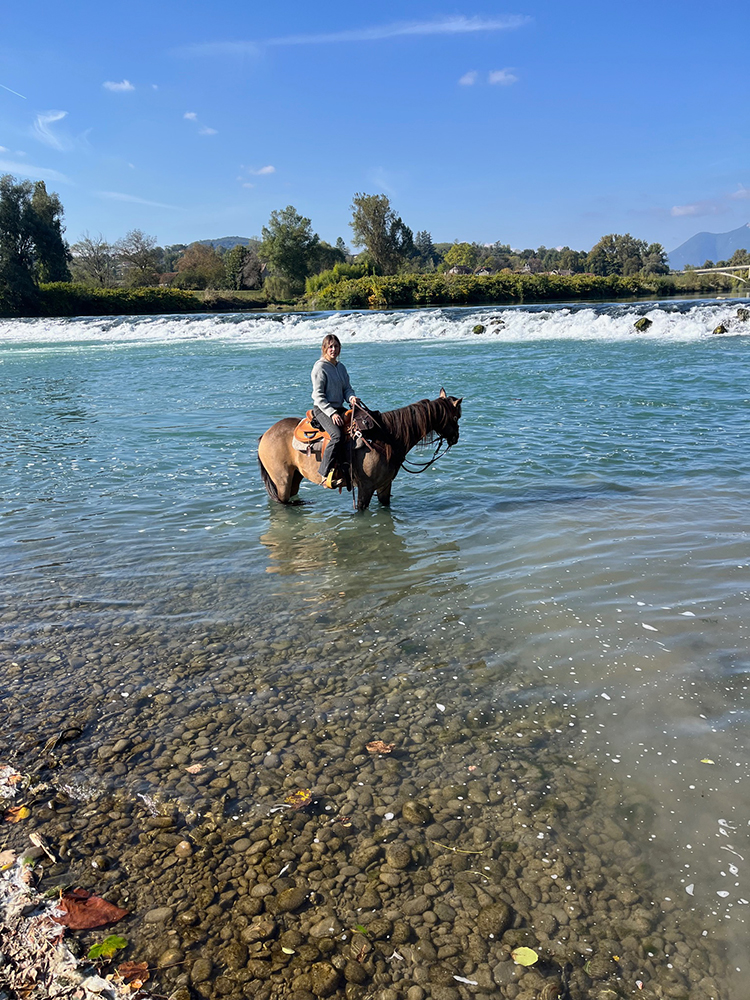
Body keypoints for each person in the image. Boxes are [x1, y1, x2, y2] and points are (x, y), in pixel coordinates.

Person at [311, 334, 358, 488]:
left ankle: (349, 468)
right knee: (336, 436)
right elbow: (318, 396)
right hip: (323, 409)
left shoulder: (341, 367)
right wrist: (331, 413)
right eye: (330, 346)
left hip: (339, 407)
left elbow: (347, 389)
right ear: (324, 348)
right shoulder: (320, 367)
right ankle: (324, 475)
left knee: (360, 426)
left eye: (336, 346)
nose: (333, 349)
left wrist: (351, 398)